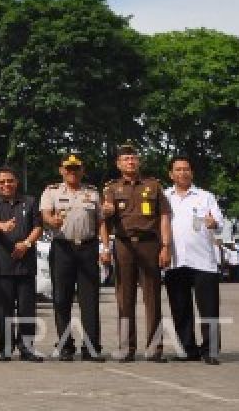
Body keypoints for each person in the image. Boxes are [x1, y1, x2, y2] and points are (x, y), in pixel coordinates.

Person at [100, 142, 172, 362]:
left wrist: (166, 246)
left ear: (138, 161)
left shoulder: (153, 186)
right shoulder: (111, 188)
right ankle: (126, 348)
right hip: (123, 246)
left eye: (133, 158)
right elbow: (103, 220)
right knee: (124, 298)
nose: (130, 161)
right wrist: (105, 247)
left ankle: (155, 348)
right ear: (118, 164)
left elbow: (164, 216)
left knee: (153, 298)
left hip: (150, 244)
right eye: (126, 159)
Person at [40, 154, 105, 361]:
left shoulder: (92, 193)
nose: (72, 172)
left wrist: (105, 248)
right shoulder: (51, 191)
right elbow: (46, 215)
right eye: (68, 168)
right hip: (62, 248)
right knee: (61, 298)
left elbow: (101, 222)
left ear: (82, 170)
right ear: (61, 171)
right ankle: (66, 345)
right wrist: (53, 221)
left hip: (87, 247)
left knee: (90, 299)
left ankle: (92, 347)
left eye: (76, 168)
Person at [163, 156, 225, 365]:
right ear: (171, 174)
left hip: (203, 262)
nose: (183, 173)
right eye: (178, 169)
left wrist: (213, 222)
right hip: (175, 261)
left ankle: (211, 350)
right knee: (180, 308)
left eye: (186, 169)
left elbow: (219, 223)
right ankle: (188, 349)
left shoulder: (205, 196)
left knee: (209, 309)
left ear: (192, 173)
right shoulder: (164, 197)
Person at [0, 166, 43, 362]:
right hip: (1, 264)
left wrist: (26, 244)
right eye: (1, 182)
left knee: (27, 308)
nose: (6, 185)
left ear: (16, 182)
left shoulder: (30, 201)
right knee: (3, 308)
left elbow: (38, 227)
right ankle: (5, 348)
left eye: (10, 181)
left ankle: (26, 348)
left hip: (26, 263)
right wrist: (3, 226)